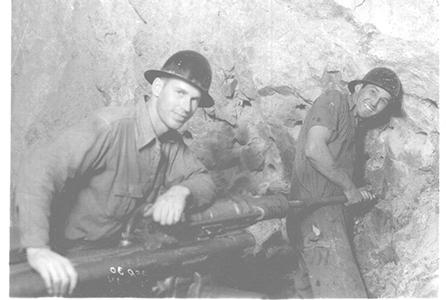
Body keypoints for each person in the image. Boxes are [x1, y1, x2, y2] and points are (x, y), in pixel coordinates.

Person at [14, 50, 217, 296]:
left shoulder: (171, 143)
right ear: (157, 87)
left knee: (161, 288)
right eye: (180, 93)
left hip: (110, 258)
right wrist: (37, 249)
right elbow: (38, 168)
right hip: (62, 256)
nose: (186, 107)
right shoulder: (111, 127)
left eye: (195, 100)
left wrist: (180, 191)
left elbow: (204, 181)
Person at [287, 67, 402, 298]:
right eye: (372, 92)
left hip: (323, 211)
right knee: (344, 293)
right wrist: (351, 189)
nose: (375, 103)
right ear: (358, 87)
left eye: (383, 101)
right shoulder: (334, 101)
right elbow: (314, 149)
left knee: (307, 289)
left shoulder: (354, 124)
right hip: (316, 213)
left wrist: (356, 191)